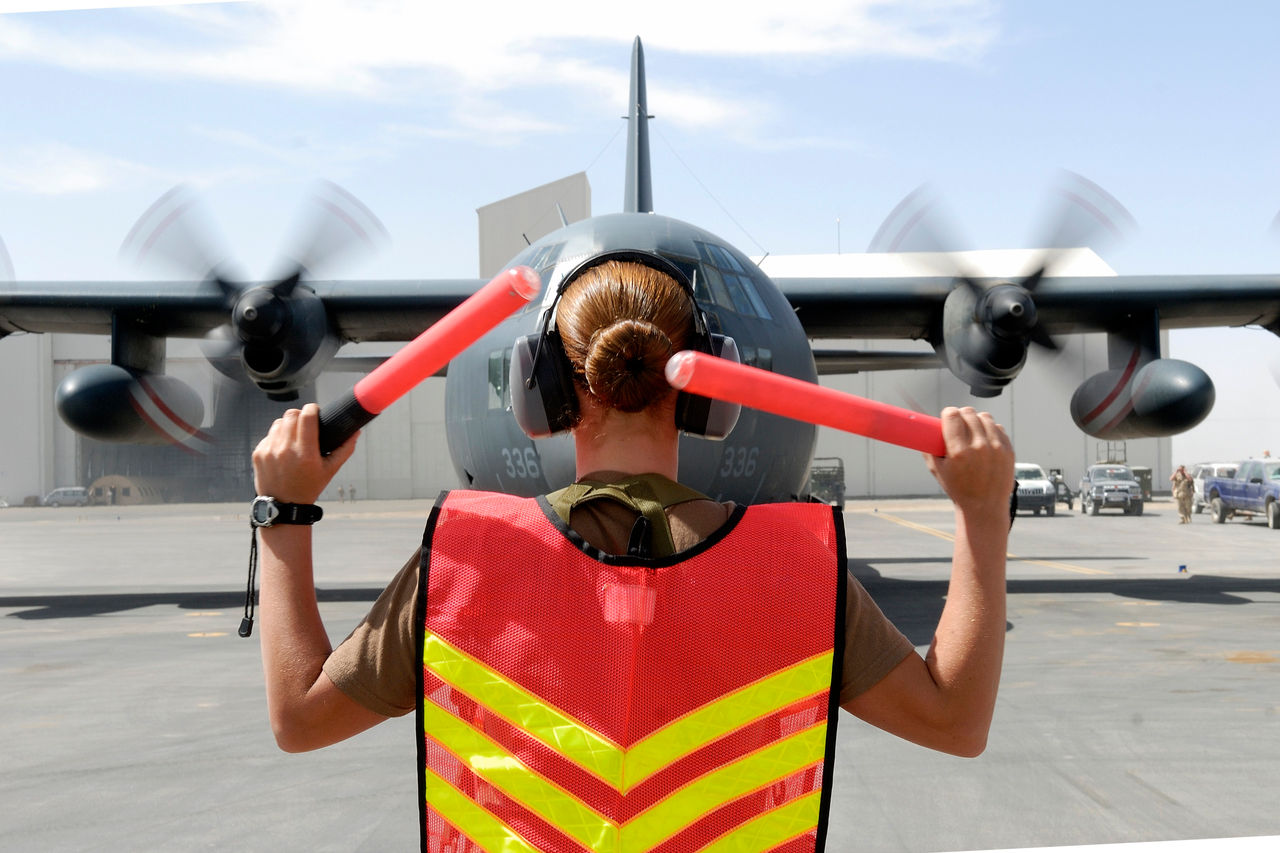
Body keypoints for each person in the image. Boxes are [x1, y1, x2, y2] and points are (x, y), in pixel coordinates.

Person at [251, 253, 1015, 851]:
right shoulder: (797, 571)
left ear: (541, 387)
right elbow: (956, 722)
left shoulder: (462, 565)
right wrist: (981, 515)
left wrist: (284, 513)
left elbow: (299, 718)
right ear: (711, 390)